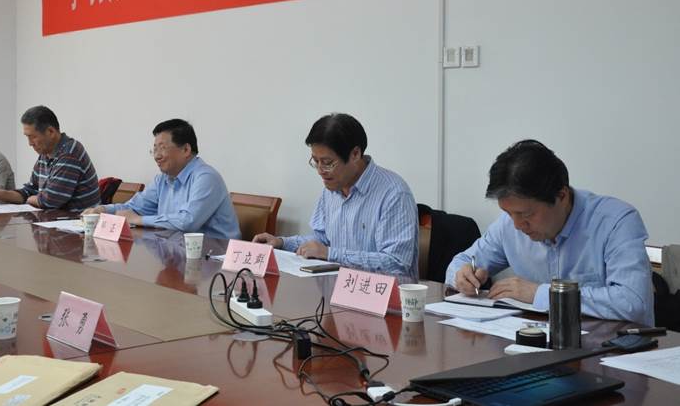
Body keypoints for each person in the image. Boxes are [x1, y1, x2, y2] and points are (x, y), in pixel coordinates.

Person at [446, 139, 653, 326]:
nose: (517, 225)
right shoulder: (508, 225)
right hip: (538, 343)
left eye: (526, 214)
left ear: (561, 196)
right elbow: (459, 263)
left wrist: (541, 294)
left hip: (612, 348)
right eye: (508, 213)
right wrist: (462, 276)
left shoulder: (616, 221)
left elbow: (632, 302)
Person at [253, 113, 418, 277]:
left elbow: (396, 263)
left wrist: (330, 254)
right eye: (315, 161)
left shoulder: (394, 193)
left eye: (327, 163)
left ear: (355, 154)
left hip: (382, 292)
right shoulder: (331, 188)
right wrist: (282, 242)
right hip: (337, 287)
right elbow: (321, 239)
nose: (320, 171)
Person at [84, 119, 240, 239]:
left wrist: (139, 220)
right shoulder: (162, 180)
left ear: (186, 149)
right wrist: (103, 210)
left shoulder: (206, 177)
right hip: (178, 251)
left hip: (215, 258)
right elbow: (134, 208)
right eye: (155, 149)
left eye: (163, 148)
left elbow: (187, 222)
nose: (157, 156)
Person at [0, 106, 100, 211]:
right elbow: (30, 190)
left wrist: (30, 199)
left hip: (78, 224)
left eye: (33, 137)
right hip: (54, 221)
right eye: (27, 137)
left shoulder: (70, 152)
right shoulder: (45, 154)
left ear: (51, 132)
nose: (30, 143)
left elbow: (50, 201)